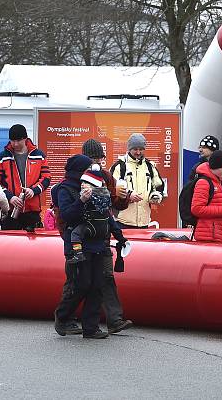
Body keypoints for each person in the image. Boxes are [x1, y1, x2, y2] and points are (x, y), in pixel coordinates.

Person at [79, 139, 132, 334]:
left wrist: (124, 196)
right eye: (93, 157)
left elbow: (117, 205)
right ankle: (65, 317)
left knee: (107, 276)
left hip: (103, 236)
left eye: (99, 157)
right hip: (83, 238)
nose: (97, 161)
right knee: (80, 281)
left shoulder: (108, 176)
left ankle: (115, 319)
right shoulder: (80, 176)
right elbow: (84, 200)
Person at [53, 155, 109, 339]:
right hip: (77, 245)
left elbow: (106, 214)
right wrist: (81, 200)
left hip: (97, 242)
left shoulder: (95, 186)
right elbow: (67, 215)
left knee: (97, 285)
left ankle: (90, 327)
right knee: (81, 284)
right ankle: (62, 317)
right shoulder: (65, 189)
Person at [0, 124, 51, 230]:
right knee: (10, 245)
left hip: (32, 210)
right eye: (12, 140)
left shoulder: (39, 156)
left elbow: (46, 178)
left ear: (25, 138)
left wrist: (33, 191)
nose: (15, 144)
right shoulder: (1, 158)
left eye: (18, 140)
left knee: (33, 245)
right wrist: (10, 197)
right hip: (10, 211)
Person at [109, 134, 164, 229]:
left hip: (144, 222)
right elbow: (111, 189)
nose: (138, 152)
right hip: (122, 222)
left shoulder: (150, 166)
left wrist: (155, 196)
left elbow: (159, 186)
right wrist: (128, 196)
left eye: (141, 149)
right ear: (129, 149)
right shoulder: (119, 166)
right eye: (135, 149)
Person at [188, 135, 222, 215]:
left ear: (212, 149)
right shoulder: (197, 168)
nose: (200, 150)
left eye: (204, 147)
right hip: (205, 214)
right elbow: (190, 189)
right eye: (200, 147)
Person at [191, 150, 222, 243]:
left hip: (216, 235)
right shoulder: (204, 183)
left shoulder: (220, 183)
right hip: (207, 237)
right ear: (215, 167)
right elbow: (196, 209)